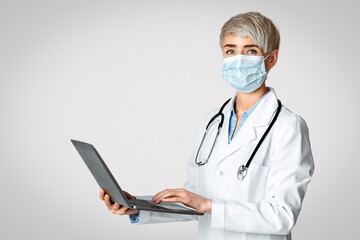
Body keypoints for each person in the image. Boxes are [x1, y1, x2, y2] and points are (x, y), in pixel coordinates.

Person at [99, 12, 314, 240]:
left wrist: (209, 205)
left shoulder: (288, 127)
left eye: (250, 51)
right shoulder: (212, 122)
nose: (238, 60)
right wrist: (136, 206)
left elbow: (282, 216)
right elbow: (195, 200)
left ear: (271, 59)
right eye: (230, 51)